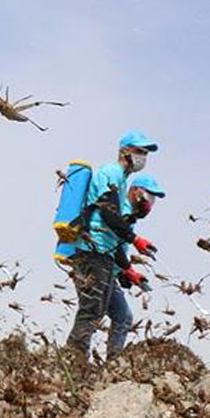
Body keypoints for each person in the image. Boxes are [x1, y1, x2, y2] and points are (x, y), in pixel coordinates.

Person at [64, 130, 160, 357]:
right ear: (124, 151)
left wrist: (127, 270)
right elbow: (108, 212)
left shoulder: (122, 180)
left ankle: (99, 360)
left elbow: (114, 238)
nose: (142, 157)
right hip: (92, 249)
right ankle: (73, 358)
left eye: (145, 153)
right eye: (139, 151)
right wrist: (135, 240)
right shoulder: (112, 172)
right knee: (92, 309)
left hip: (102, 253)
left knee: (106, 312)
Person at [104, 174, 165, 359]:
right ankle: (78, 357)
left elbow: (116, 248)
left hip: (110, 269)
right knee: (95, 312)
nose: (149, 204)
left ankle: (112, 361)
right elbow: (109, 242)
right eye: (148, 196)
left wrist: (125, 273)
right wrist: (128, 267)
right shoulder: (121, 211)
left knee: (122, 316)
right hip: (99, 264)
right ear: (134, 191)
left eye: (152, 200)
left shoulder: (129, 217)